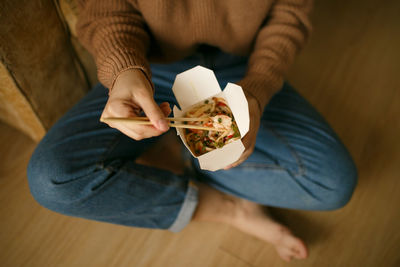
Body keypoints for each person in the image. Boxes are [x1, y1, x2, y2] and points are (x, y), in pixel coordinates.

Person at [27, 0, 357, 262]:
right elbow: (105, 10)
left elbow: (289, 16)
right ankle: (229, 208)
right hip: (150, 66)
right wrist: (123, 70)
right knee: (53, 178)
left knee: (334, 183)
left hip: (239, 68)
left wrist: (256, 90)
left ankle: (180, 148)